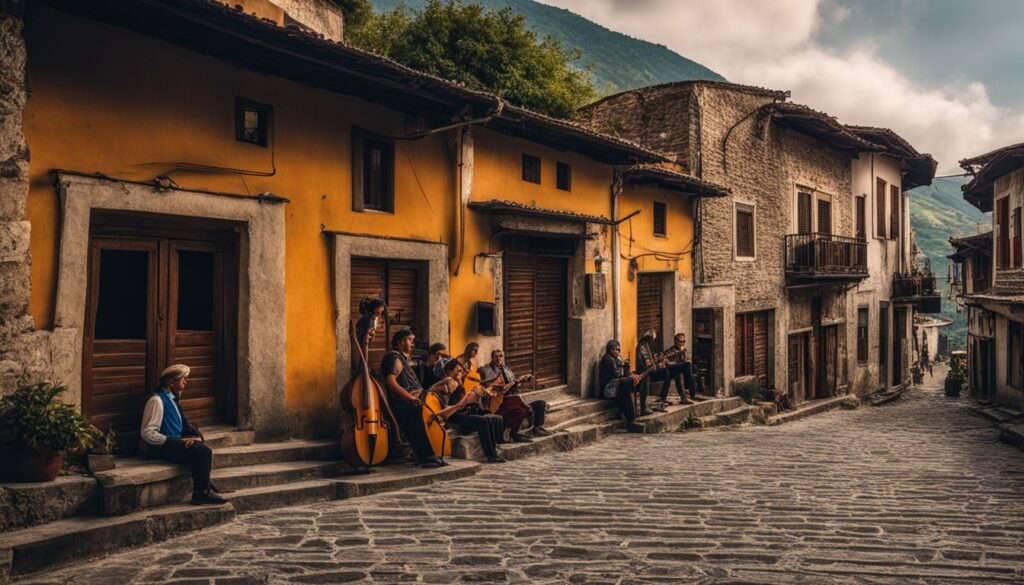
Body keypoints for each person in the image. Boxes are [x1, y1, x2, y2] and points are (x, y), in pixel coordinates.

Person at [140, 364, 226, 505]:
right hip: (160, 448)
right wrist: (176, 442)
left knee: (198, 447)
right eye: (182, 379)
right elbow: (147, 433)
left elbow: (183, 425)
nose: (185, 382)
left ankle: (206, 488)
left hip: (172, 444)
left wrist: (194, 437)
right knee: (203, 452)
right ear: (171, 382)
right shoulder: (156, 401)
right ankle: (201, 493)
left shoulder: (172, 399)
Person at [382, 328, 454, 468]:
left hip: (413, 399)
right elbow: (391, 382)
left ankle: (434, 453)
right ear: (399, 342)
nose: (412, 344)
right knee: (417, 413)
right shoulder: (394, 358)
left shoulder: (402, 359)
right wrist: (410, 398)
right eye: (409, 340)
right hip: (403, 404)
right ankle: (426, 456)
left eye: (413, 340)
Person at [479, 349, 551, 441]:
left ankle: (537, 428)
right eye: (496, 356)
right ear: (492, 358)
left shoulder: (505, 368)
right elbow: (495, 388)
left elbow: (512, 385)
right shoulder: (488, 370)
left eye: (500, 356)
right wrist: (514, 383)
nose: (498, 358)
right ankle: (513, 434)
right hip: (501, 401)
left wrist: (522, 380)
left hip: (513, 397)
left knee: (540, 403)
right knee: (522, 410)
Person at [636, 330, 689, 412]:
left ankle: (664, 398)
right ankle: (662, 399)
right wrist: (658, 365)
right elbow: (648, 365)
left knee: (671, 373)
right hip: (645, 373)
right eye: (652, 339)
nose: (653, 341)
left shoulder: (645, 345)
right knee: (668, 372)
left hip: (650, 370)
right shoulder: (643, 347)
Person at [599, 340, 648, 420]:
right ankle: (631, 416)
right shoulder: (608, 360)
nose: (616, 352)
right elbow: (617, 375)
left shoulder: (616, 359)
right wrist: (629, 374)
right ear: (609, 350)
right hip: (608, 389)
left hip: (617, 385)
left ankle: (642, 409)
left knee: (641, 378)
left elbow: (623, 375)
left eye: (618, 350)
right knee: (625, 383)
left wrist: (633, 375)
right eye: (614, 349)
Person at [660, 333, 699, 406]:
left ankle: (690, 395)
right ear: (675, 341)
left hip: (681, 371)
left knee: (690, 372)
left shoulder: (684, 350)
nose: (681, 343)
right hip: (669, 370)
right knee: (678, 374)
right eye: (679, 341)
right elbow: (666, 363)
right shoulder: (669, 351)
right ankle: (684, 396)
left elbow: (686, 361)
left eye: (683, 341)